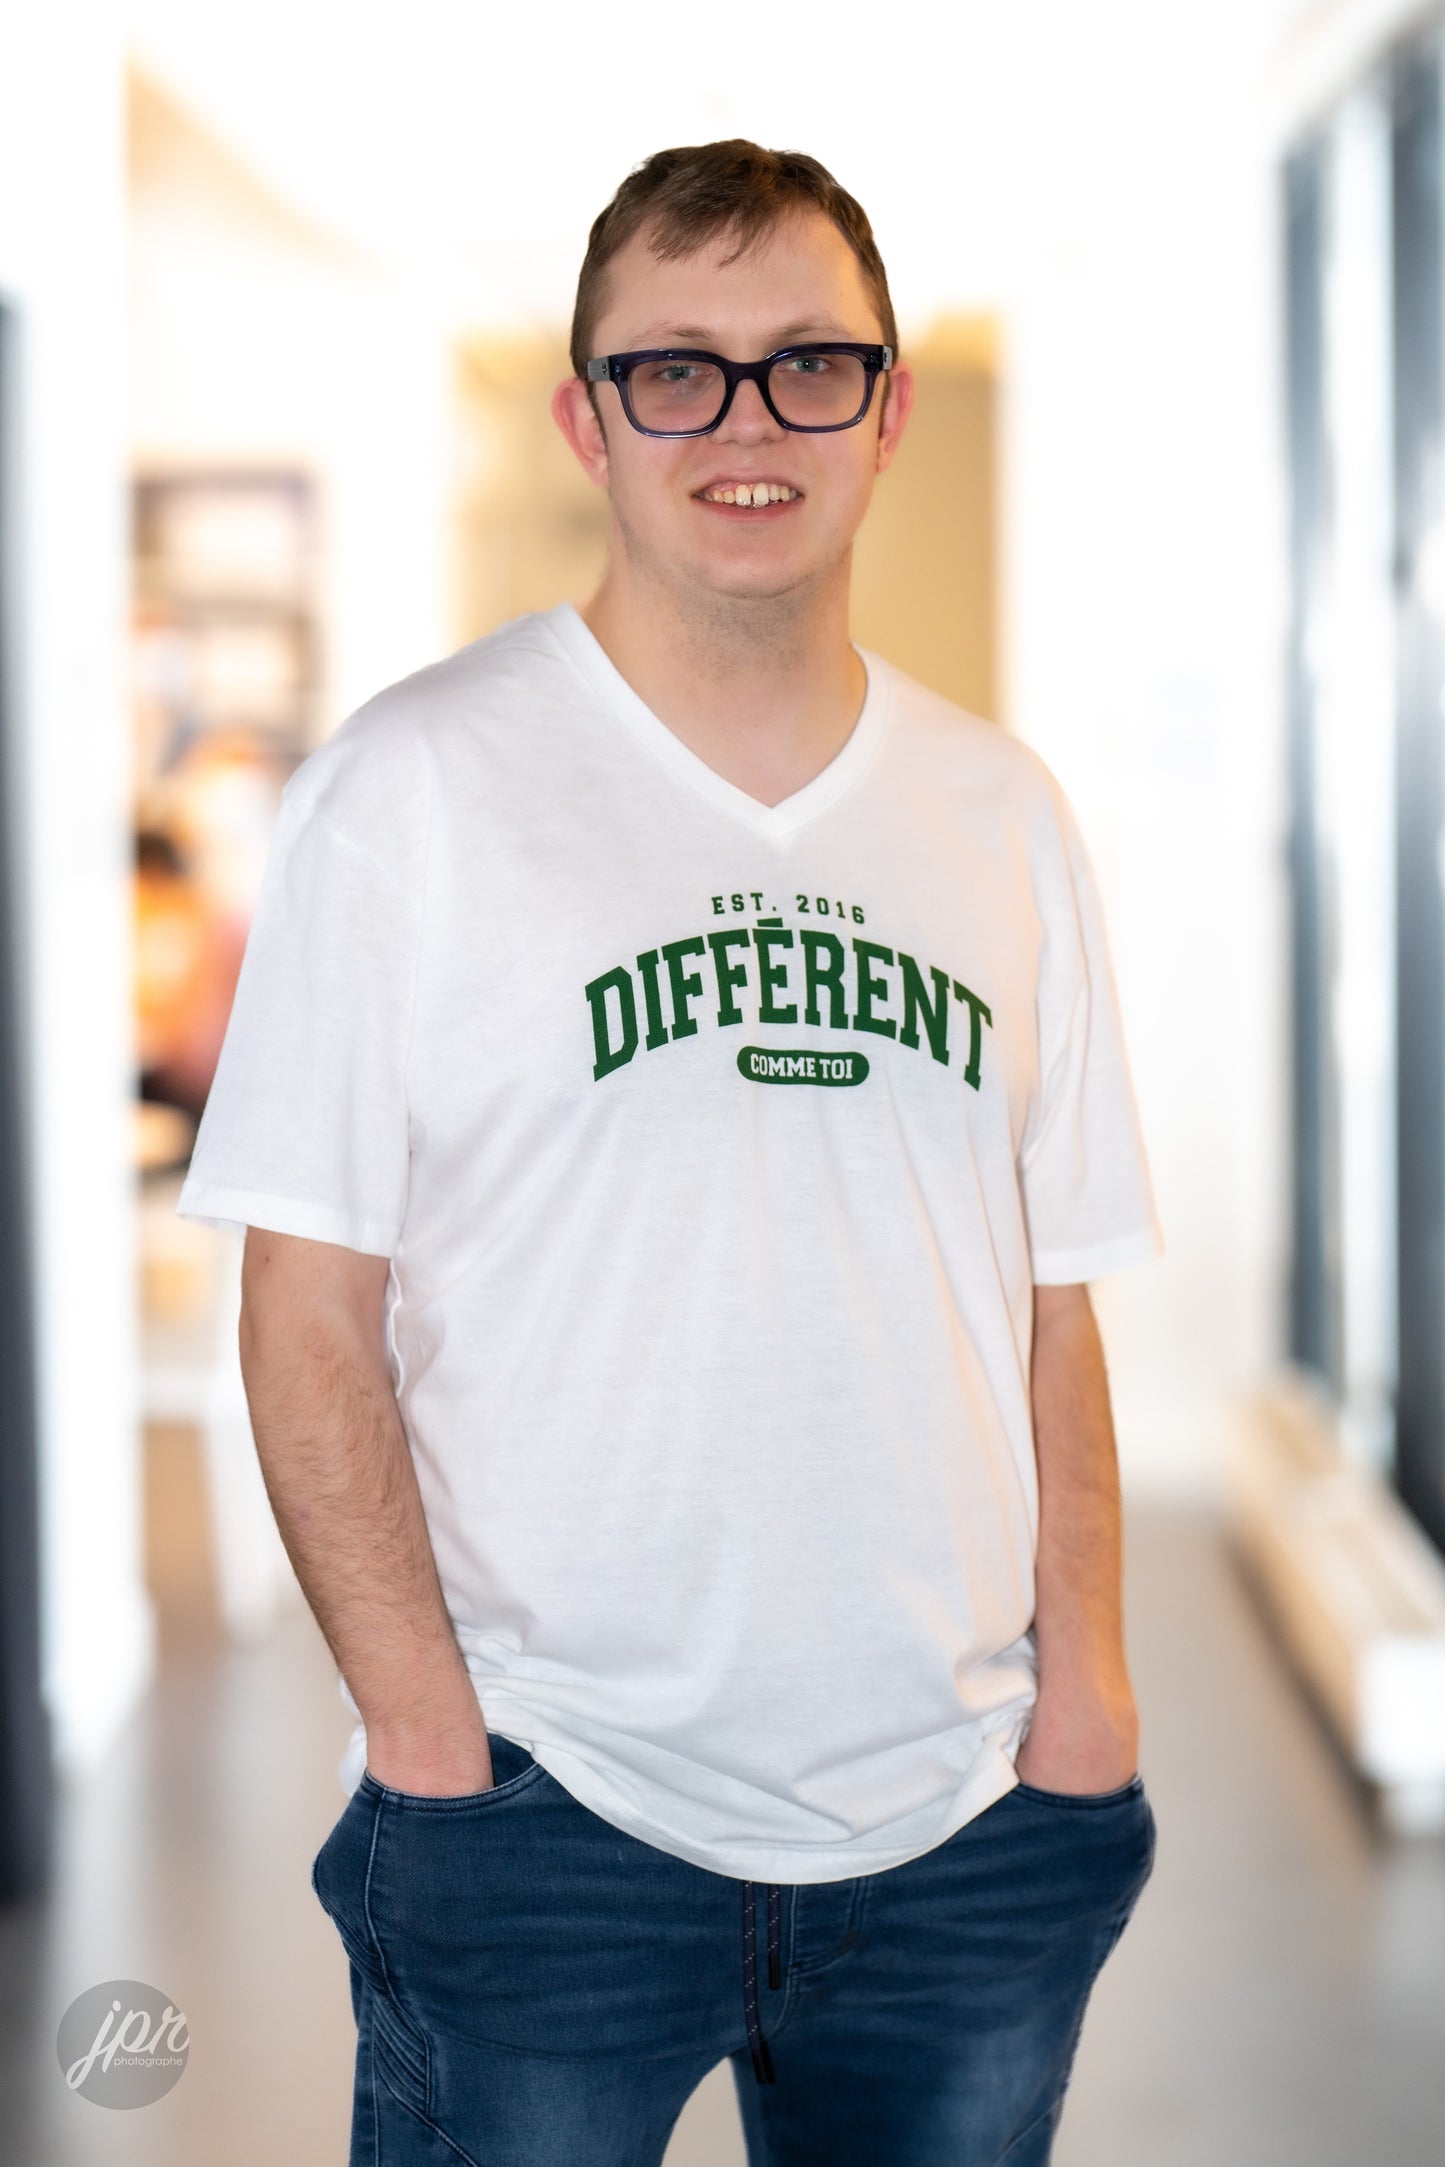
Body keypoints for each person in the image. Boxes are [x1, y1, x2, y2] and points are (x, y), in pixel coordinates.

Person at [177, 138, 1165, 2167]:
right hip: (548, 1816)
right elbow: (307, 1303)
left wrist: (1091, 1714)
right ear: (587, 419)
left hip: (968, 1824)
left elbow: (1052, 1298)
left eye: (809, 364)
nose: (744, 420)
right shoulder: (414, 792)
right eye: (675, 369)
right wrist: (428, 1748)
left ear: (886, 413)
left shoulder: (1002, 814)